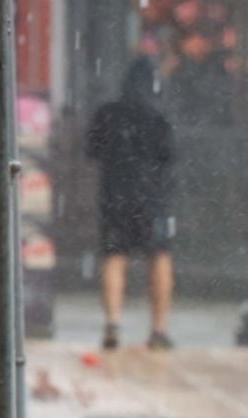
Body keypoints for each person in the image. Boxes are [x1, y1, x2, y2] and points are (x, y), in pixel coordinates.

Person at [85, 57, 177, 352]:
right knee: (159, 255)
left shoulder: (108, 114)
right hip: (153, 199)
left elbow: (92, 150)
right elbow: (170, 155)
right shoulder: (159, 116)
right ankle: (159, 329)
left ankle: (113, 323)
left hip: (115, 196)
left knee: (115, 256)